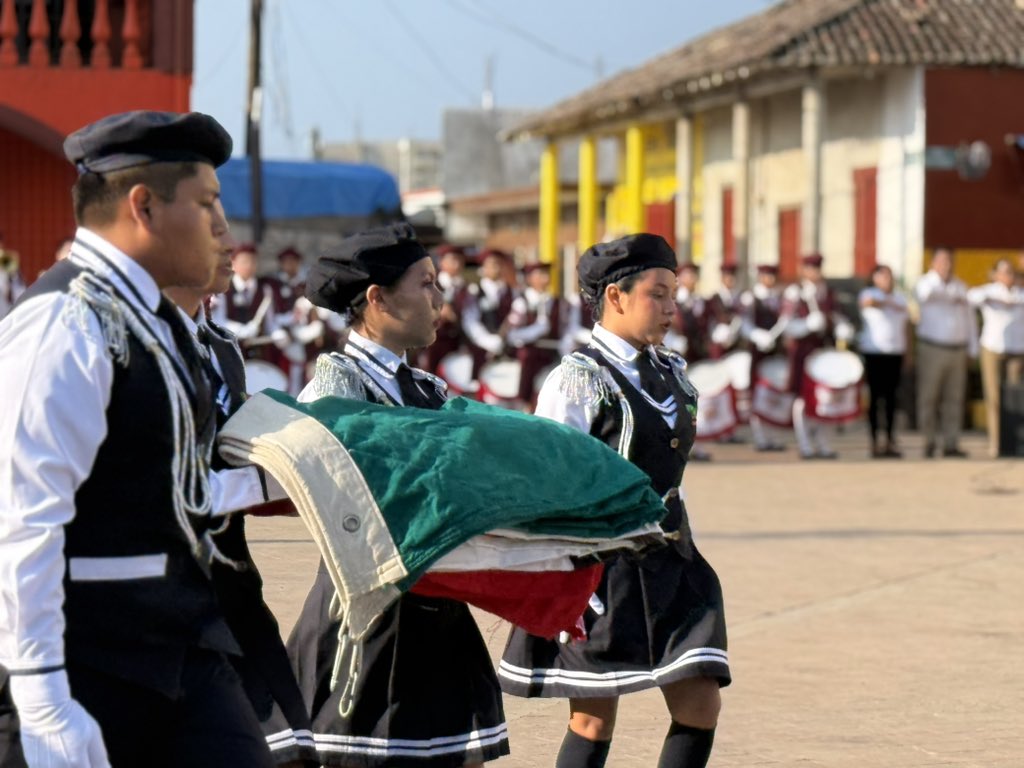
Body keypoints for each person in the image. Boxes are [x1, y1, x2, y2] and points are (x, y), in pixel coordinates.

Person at [0, 110, 285, 767]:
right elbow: (23, 517)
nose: (222, 227)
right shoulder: (67, 323)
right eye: (208, 203)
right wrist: (42, 697)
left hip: (180, 650)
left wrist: (290, 474)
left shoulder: (159, 321)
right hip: (85, 662)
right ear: (144, 206)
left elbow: (171, 488)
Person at [499, 233, 730, 768]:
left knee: (701, 701)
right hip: (603, 572)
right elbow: (547, 483)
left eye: (675, 294)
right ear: (616, 297)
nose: (672, 307)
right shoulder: (577, 379)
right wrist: (565, 579)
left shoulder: (671, 371)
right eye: (658, 293)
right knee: (593, 718)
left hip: (673, 560)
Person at [284, 223, 510, 767]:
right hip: (366, 620)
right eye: (427, 283)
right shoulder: (337, 385)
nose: (440, 297)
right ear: (377, 298)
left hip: (438, 610)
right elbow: (322, 496)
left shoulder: (428, 389)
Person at [165, 233, 317, 766]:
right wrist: (264, 484)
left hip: (233, 567)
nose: (229, 249)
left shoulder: (223, 343)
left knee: (292, 739)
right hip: (173, 578)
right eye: (211, 232)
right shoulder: (148, 345)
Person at [780, 252, 854, 459]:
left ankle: (823, 443)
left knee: (825, 397)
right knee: (802, 398)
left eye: (818, 268)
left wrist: (842, 326)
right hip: (803, 350)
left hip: (823, 350)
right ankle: (804, 443)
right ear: (803, 270)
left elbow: (837, 315)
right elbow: (785, 325)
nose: (815, 273)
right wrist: (805, 325)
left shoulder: (827, 293)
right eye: (811, 268)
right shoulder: (795, 293)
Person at [914, 247, 977, 458]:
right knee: (929, 397)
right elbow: (925, 295)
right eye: (941, 261)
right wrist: (940, 281)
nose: (946, 265)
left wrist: (972, 348)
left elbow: (970, 320)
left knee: (954, 399)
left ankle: (951, 442)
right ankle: (929, 440)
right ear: (933, 264)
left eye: (948, 261)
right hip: (933, 348)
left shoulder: (961, 286)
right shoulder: (926, 283)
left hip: (957, 349)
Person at [967, 258, 1024, 458]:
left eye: (1010, 272)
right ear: (996, 275)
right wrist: (994, 298)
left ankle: (1014, 441)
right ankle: (996, 443)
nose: (1007, 276)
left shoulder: (1020, 294)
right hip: (992, 348)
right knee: (994, 398)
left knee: (1015, 398)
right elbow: (971, 297)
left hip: (1016, 351)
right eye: (1003, 272)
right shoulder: (989, 291)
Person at [858, 265, 911, 458]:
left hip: (894, 353)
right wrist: (888, 302)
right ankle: (874, 441)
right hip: (874, 353)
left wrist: (908, 353)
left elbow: (906, 326)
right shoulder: (869, 293)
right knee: (874, 399)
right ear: (874, 278)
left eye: (889, 276)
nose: (887, 280)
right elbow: (868, 302)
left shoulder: (900, 298)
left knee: (891, 399)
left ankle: (889, 440)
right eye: (882, 276)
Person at [740, 263, 787, 451]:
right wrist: (757, 335)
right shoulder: (751, 298)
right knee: (757, 393)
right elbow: (744, 324)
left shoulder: (779, 298)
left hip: (775, 352)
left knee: (774, 393)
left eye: (773, 276)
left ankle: (772, 436)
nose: (770, 280)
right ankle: (760, 437)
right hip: (758, 351)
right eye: (766, 276)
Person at [506, 262, 562, 407]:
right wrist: (536, 330)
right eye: (540, 274)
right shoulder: (522, 302)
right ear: (530, 279)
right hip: (529, 355)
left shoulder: (556, 302)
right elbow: (512, 335)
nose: (545, 278)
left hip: (551, 354)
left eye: (546, 274)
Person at [463, 248, 515, 380]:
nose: (496, 268)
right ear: (483, 267)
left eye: (499, 264)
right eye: (492, 264)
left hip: (505, 346)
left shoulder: (511, 292)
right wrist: (488, 341)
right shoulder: (474, 291)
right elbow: (470, 321)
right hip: (480, 347)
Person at [421, 244, 471, 375]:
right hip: (432, 342)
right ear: (442, 262)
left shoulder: (465, 288)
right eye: (453, 259)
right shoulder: (431, 284)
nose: (457, 264)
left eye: (460, 260)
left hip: (455, 341)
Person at [705, 261, 743, 360]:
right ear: (722, 278)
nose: (730, 279)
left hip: (737, 342)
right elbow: (709, 322)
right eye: (727, 276)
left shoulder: (740, 298)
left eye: (732, 277)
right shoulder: (714, 299)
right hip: (719, 342)